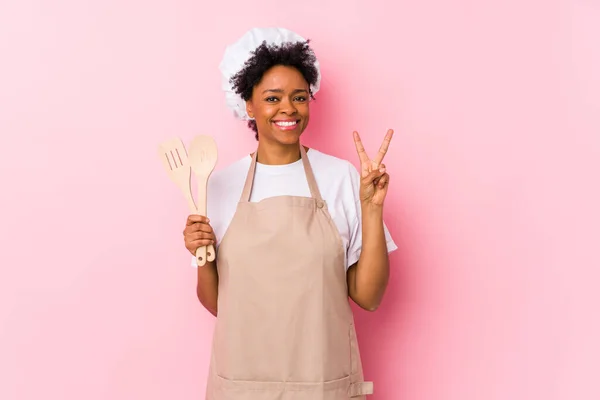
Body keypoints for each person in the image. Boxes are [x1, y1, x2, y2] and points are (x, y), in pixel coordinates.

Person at [182, 27, 397, 400]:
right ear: (248, 105)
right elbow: (219, 303)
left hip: (323, 384)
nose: (288, 109)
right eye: (272, 97)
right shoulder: (217, 187)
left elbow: (369, 296)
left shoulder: (341, 177)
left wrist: (372, 209)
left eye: (299, 97)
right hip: (244, 386)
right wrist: (200, 254)